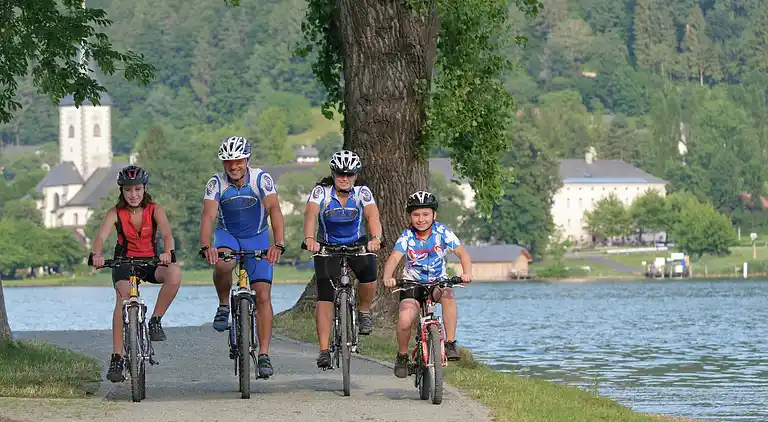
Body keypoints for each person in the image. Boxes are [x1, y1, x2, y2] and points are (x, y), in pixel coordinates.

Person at [199, 136, 286, 378]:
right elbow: (208, 216)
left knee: (263, 295)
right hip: (228, 236)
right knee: (223, 263)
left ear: (247, 160)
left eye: (238, 161)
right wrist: (206, 246)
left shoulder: (261, 179)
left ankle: (264, 355)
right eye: (228, 162)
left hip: (257, 237)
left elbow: (274, 209)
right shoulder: (216, 183)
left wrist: (278, 243)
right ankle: (223, 305)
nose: (233, 166)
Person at [90, 165, 182, 383]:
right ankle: (117, 358)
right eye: (128, 190)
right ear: (122, 191)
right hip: (124, 263)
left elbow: (167, 234)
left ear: (144, 189)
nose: (133, 195)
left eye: (138, 189)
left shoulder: (155, 210)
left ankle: (155, 321)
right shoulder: (115, 212)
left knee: (174, 273)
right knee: (122, 299)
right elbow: (101, 237)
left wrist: (168, 252)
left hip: (150, 261)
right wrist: (97, 254)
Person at [303, 150, 383, 369]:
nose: (344, 178)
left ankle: (364, 312)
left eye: (349, 174)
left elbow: (372, 216)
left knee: (369, 274)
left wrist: (376, 238)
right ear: (333, 174)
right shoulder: (321, 192)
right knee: (325, 294)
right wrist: (309, 239)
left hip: (357, 243)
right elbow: (310, 214)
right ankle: (323, 350)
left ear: (356, 175)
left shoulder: (362, 192)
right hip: (327, 246)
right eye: (340, 174)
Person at [382, 190, 472, 378]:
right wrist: (388, 276)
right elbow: (394, 258)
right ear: (410, 217)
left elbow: (462, 253)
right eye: (416, 215)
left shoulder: (442, 232)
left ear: (434, 215)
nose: (421, 219)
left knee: (448, 296)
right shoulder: (407, 236)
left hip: (438, 283)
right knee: (405, 320)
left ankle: (450, 343)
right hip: (412, 285)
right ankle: (402, 356)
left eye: (425, 214)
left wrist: (467, 273)